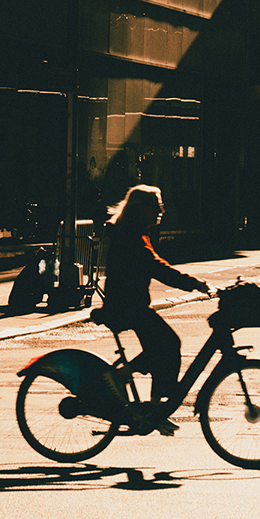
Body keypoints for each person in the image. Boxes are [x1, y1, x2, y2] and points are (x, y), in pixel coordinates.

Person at [99, 185, 209, 435]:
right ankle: (124, 380)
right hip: (126, 306)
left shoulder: (134, 233)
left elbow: (156, 265)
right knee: (168, 344)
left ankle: (155, 408)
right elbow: (157, 268)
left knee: (162, 347)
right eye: (156, 207)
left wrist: (192, 283)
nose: (161, 211)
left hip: (130, 304)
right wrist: (194, 284)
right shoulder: (131, 237)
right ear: (141, 210)